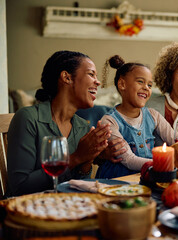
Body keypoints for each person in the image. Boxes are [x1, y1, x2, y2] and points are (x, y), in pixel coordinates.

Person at [6, 50, 112, 196]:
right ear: (66, 77)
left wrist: (89, 159)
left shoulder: (83, 127)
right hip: (25, 209)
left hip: (65, 207)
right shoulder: (28, 118)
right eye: (91, 74)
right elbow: (20, 186)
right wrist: (77, 157)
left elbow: (80, 185)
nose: (98, 81)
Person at [96, 55, 175, 178]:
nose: (146, 88)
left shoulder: (153, 115)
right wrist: (163, 163)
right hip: (116, 181)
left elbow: (174, 139)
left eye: (149, 85)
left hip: (145, 176)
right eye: (140, 82)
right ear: (122, 84)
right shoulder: (109, 121)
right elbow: (128, 160)